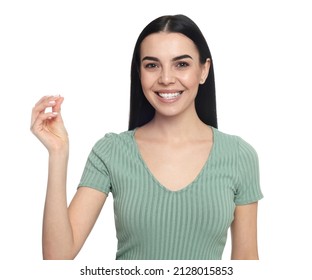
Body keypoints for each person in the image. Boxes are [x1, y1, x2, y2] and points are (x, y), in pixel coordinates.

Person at [31, 14, 263, 260]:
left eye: (181, 64)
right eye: (152, 65)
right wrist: (58, 153)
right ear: (139, 73)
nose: (165, 78)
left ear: (204, 70)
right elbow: (57, 258)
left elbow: (246, 263)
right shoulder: (111, 151)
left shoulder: (239, 155)